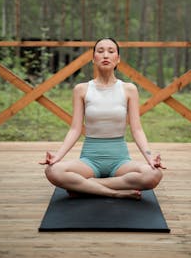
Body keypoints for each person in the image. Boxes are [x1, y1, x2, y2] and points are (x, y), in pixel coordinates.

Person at [39, 38, 165, 199]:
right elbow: (75, 129)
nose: (105, 55)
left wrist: (150, 158)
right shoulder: (81, 89)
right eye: (100, 51)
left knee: (153, 175)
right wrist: (57, 157)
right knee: (52, 171)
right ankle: (114, 193)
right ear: (93, 58)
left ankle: (85, 186)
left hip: (120, 161)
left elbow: (137, 129)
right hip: (89, 160)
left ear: (117, 59)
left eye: (111, 51)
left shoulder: (129, 89)